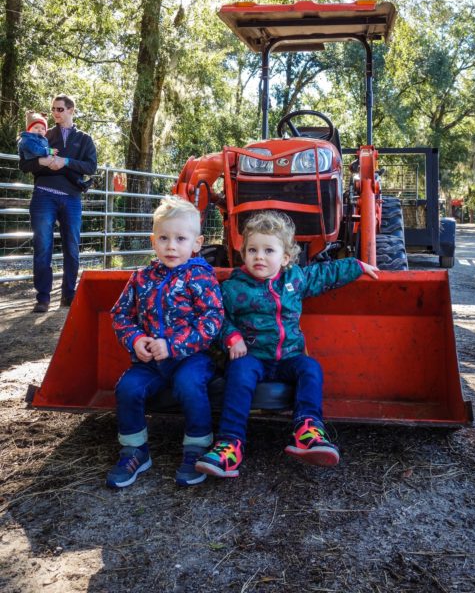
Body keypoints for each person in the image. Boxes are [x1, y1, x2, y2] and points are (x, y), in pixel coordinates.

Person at [195, 211, 379, 479]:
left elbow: (324, 274)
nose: (259, 256)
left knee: (310, 368)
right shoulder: (233, 288)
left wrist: (357, 265)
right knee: (239, 372)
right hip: (253, 357)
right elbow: (219, 318)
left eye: (268, 250)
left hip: (289, 357)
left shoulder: (294, 280)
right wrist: (231, 337)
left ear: (285, 258)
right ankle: (230, 443)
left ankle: (307, 430)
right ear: (243, 254)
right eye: (252, 250)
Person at [107, 196, 224, 489]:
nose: (171, 245)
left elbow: (212, 321)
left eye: (180, 238)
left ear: (197, 243)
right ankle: (135, 450)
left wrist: (172, 345)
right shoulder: (140, 278)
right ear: (153, 240)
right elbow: (120, 313)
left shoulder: (202, 278)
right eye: (164, 238)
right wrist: (135, 339)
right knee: (128, 388)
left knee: (189, 384)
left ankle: (197, 445)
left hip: (192, 357)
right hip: (150, 362)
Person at [18, 94, 97, 313]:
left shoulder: (84, 139)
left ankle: (68, 296)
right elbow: (25, 164)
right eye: (53, 109)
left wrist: (66, 162)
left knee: (72, 248)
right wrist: (45, 162)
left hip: (72, 198)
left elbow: (90, 167)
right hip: (43, 196)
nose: (55, 113)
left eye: (60, 109)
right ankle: (43, 298)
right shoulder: (43, 134)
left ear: (72, 110)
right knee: (42, 247)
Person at [18, 111, 90, 190]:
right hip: (35, 162)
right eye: (36, 128)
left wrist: (54, 156)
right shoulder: (28, 140)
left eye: (42, 128)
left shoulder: (42, 138)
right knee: (64, 170)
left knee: (66, 170)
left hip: (46, 160)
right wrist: (49, 152)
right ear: (29, 129)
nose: (39, 130)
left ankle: (81, 184)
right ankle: (80, 184)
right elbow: (36, 151)